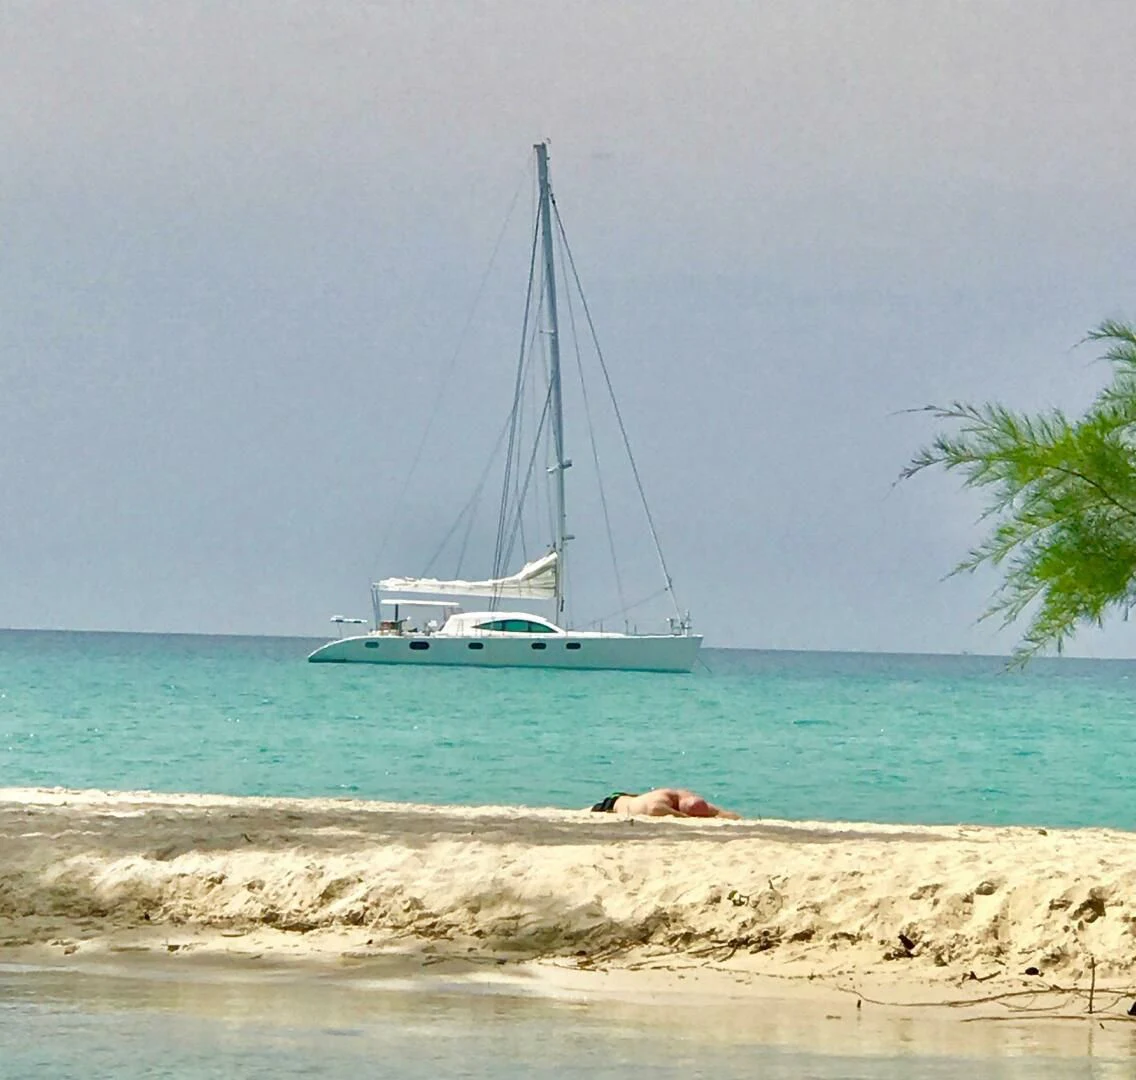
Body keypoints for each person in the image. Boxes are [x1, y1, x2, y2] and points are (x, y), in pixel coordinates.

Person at [589, 788, 740, 819]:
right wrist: (686, 818)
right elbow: (655, 809)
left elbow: (721, 813)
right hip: (613, 803)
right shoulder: (661, 800)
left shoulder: (688, 797)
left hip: (634, 798)